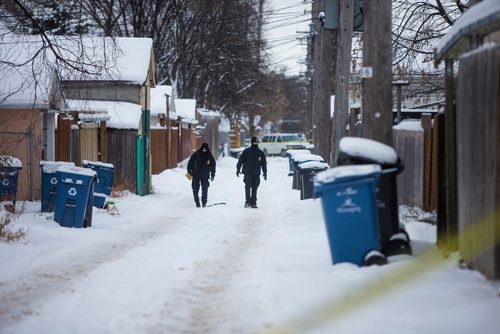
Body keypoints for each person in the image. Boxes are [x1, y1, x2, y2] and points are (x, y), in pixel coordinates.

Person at [236, 136, 267, 208]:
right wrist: (238, 169)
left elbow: (263, 163)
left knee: (254, 187)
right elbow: (241, 160)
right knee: (247, 187)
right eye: (254, 142)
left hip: (256, 173)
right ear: (252, 142)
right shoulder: (246, 151)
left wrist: (265, 173)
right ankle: (247, 202)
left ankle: (253, 203)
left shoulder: (260, 153)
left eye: (256, 142)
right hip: (247, 173)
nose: (255, 143)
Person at [187, 143, 216, 207]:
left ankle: (204, 202)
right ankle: (197, 202)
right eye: (203, 149)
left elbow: (213, 166)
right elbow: (190, 162)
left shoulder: (209, 156)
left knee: (205, 189)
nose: (204, 150)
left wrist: (213, 174)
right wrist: (189, 171)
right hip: (195, 174)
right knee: (195, 189)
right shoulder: (196, 154)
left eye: (205, 149)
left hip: (205, 176)